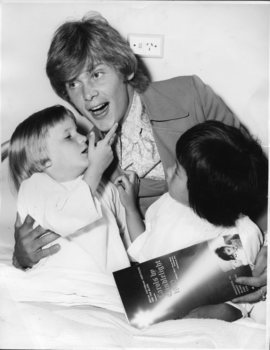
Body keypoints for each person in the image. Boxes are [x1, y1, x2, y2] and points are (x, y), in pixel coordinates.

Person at [12, 12, 267, 303]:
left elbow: (258, 176)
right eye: (73, 84)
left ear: (125, 70)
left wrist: (267, 249)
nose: (87, 94)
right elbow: (61, 216)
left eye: (96, 74)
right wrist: (23, 256)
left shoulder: (190, 96)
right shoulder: (83, 154)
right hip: (167, 268)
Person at [116, 120, 268, 321]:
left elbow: (241, 299)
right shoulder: (168, 204)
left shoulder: (241, 236)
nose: (168, 170)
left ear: (203, 193)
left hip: (202, 318)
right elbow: (143, 247)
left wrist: (210, 313)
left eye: (177, 171)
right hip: (154, 306)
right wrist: (130, 208)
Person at [9, 104, 133, 273]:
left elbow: (130, 242)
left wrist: (130, 206)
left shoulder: (104, 187)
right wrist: (95, 169)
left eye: (77, 131)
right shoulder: (34, 186)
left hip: (104, 287)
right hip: (59, 286)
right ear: (43, 160)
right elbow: (65, 218)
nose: (83, 138)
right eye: (68, 136)